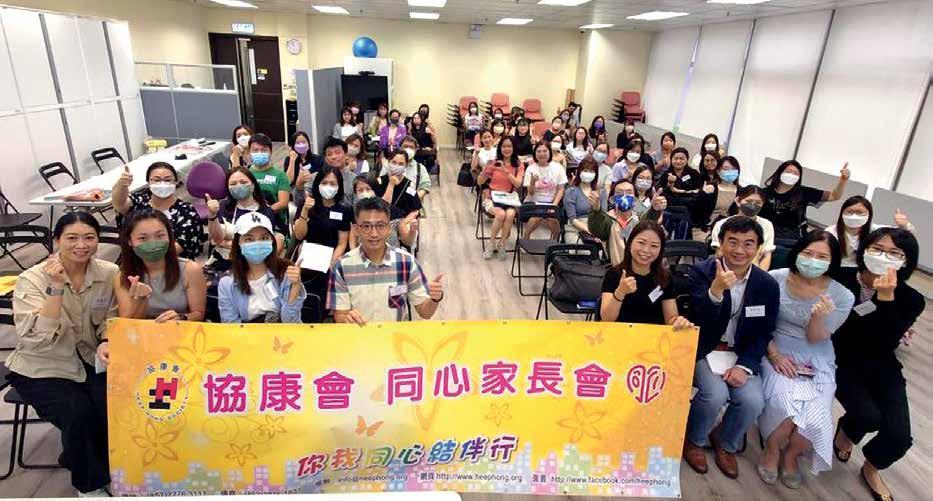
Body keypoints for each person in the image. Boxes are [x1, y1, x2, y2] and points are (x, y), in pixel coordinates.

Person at [6, 212, 116, 497]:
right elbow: (37, 338)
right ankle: (89, 486)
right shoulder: (31, 279)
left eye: (89, 237)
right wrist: (55, 288)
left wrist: (106, 340)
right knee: (77, 412)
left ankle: (92, 461)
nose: (82, 245)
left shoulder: (108, 273)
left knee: (112, 404)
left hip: (89, 358)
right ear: (56, 241)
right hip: (41, 366)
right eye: (72, 238)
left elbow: (111, 317)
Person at [683, 216, 780, 479]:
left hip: (740, 353)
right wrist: (715, 292)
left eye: (748, 244)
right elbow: (696, 317)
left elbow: (764, 331)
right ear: (720, 242)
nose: (739, 250)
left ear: (759, 247)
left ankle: (726, 442)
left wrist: (745, 366)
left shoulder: (767, 284)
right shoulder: (701, 271)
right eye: (732, 242)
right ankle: (694, 440)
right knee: (714, 395)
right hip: (705, 348)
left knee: (753, 401)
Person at [832, 228, 924, 501]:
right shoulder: (840, 278)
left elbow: (884, 340)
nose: (884, 257)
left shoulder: (911, 299)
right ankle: (847, 431)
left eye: (895, 253)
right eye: (878, 249)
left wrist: (885, 299)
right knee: (867, 416)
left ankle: (872, 467)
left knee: (899, 436)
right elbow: (841, 331)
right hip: (841, 359)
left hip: (881, 364)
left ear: (906, 262)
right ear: (865, 250)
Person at [757, 230, 854, 488]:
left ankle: (792, 454)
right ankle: (772, 449)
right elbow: (758, 322)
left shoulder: (842, 295)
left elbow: (816, 337)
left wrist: (818, 317)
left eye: (822, 257)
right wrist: (774, 354)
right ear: (797, 252)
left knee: (816, 413)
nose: (813, 260)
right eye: (808, 253)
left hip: (817, 353)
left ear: (832, 261)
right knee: (785, 403)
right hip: (775, 346)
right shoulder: (775, 279)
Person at [328, 196, 444, 324]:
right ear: (356, 230)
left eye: (380, 226)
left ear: (389, 228)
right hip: (358, 335)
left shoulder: (407, 262)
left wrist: (435, 298)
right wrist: (347, 318)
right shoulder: (342, 267)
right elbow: (340, 315)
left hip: (395, 335)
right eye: (366, 226)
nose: (374, 233)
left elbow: (425, 313)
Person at [113, 210, 207, 323]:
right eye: (143, 238)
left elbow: (198, 314)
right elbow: (127, 322)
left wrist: (181, 318)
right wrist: (140, 301)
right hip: (144, 332)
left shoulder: (190, 269)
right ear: (130, 241)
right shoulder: (124, 276)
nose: (153, 243)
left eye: (160, 236)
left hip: (180, 330)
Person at [599, 220, 694, 329]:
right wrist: (620, 292)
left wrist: (679, 322)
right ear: (630, 243)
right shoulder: (614, 274)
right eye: (641, 243)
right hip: (620, 335)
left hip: (654, 337)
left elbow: (670, 319)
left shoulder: (665, 277)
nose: (646, 250)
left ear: (661, 250)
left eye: (654, 246)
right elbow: (606, 319)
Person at [217, 211, 306, 323]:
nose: (257, 243)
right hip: (247, 334)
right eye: (249, 239)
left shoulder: (285, 272)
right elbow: (231, 325)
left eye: (264, 238)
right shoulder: (227, 284)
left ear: (272, 241)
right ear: (238, 243)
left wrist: (296, 287)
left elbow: (290, 323)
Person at [112, 161, 206, 260]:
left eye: (168, 180)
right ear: (148, 182)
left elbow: (181, 246)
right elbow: (120, 204)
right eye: (156, 180)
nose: (162, 184)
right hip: (135, 260)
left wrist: (149, 258)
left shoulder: (186, 212)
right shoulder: (140, 200)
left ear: (176, 182)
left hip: (171, 262)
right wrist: (121, 185)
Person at [206, 167, 280, 272]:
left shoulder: (265, 211)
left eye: (243, 182)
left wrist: (227, 243)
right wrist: (212, 215)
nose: (238, 186)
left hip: (252, 264)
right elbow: (217, 239)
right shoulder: (222, 207)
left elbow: (261, 244)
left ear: (253, 185)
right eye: (233, 184)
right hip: (222, 260)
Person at [826, 195, 913, 280]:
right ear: (842, 213)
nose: (854, 216)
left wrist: (904, 225)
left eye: (860, 212)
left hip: (864, 272)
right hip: (838, 270)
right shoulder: (831, 232)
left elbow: (901, 235)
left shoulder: (875, 230)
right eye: (849, 212)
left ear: (869, 214)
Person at [760, 159, 850, 241]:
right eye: (789, 171)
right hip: (764, 236)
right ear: (780, 172)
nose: (792, 175)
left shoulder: (804, 192)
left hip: (792, 240)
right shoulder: (764, 193)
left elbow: (834, 196)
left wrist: (843, 180)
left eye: (796, 173)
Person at [294, 165, 351, 268]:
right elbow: (299, 235)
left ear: (339, 186)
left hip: (332, 259)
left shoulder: (344, 210)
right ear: (317, 184)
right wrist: (305, 210)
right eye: (324, 183)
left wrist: (332, 263)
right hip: (307, 258)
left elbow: (342, 243)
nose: (328, 186)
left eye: (332, 184)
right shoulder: (306, 204)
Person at [477, 137, 524, 260]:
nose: (506, 149)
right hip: (491, 197)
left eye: (509, 146)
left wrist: (505, 170)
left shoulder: (519, 165)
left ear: (514, 148)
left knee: (510, 214)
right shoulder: (493, 163)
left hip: (509, 198)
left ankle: (502, 243)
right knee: (501, 214)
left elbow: (518, 183)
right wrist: (484, 170)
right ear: (500, 148)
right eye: (504, 146)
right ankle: (491, 243)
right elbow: (480, 182)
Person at [710, 185, 776, 270]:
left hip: (755, 270)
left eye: (758, 202)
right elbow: (720, 254)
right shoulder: (721, 224)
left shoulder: (767, 225)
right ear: (738, 201)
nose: (753, 205)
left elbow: (767, 255)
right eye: (749, 201)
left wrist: (760, 275)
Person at [586, 181, 651, 265]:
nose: (624, 196)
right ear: (612, 199)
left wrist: (655, 209)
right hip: (615, 268)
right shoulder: (607, 219)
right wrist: (596, 209)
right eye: (620, 193)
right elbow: (596, 229)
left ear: (635, 199)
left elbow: (649, 222)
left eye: (629, 193)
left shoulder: (638, 219)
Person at [348, 175, 417, 250]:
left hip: (390, 254)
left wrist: (412, 231)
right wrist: (354, 254)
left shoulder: (393, 211)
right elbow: (353, 240)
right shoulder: (354, 212)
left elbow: (407, 242)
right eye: (360, 190)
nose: (364, 193)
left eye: (368, 189)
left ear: (375, 190)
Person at [523, 140, 568, 240]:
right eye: (539, 151)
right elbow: (530, 193)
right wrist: (532, 182)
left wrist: (554, 204)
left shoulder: (558, 168)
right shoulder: (530, 169)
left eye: (545, 151)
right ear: (535, 153)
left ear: (550, 152)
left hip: (552, 202)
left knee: (552, 218)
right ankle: (526, 238)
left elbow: (561, 190)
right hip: (533, 202)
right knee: (536, 216)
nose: (542, 154)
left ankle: (554, 239)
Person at [247, 133, 291, 234]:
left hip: (275, 221)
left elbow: (283, 203)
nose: (259, 153)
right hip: (249, 220)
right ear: (249, 152)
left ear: (270, 152)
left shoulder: (280, 175)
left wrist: (262, 213)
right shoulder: (246, 174)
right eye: (255, 150)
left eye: (263, 150)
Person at [373, 150, 423, 222]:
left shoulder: (409, 185)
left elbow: (415, 210)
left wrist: (403, 222)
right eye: (394, 162)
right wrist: (391, 184)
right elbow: (382, 208)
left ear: (406, 165)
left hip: (402, 222)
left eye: (401, 164)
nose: (396, 166)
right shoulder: (378, 182)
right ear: (388, 162)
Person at [382, 135, 432, 202]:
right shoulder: (388, 165)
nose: (408, 149)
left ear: (415, 150)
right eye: (405, 146)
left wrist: (415, 199)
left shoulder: (420, 168)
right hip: (390, 201)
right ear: (400, 147)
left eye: (411, 147)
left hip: (412, 204)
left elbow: (425, 187)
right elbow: (380, 183)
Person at [563, 157, 600, 241]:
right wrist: (590, 231)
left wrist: (597, 205)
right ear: (579, 172)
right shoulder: (570, 192)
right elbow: (573, 219)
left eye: (591, 171)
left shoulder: (601, 192)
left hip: (597, 228)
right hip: (576, 229)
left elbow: (603, 216)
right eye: (585, 170)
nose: (588, 174)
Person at [692, 151, 723, 239]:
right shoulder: (698, 177)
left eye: (712, 160)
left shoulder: (723, 178)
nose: (709, 163)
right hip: (702, 218)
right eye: (707, 160)